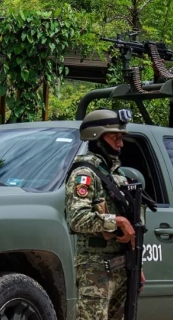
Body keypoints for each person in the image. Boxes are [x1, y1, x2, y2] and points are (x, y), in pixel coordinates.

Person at [66, 108, 143, 320]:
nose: (120, 143)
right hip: (95, 268)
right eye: (114, 137)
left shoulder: (117, 174)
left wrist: (138, 266)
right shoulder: (85, 173)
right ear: (97, 137)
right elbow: (77, 219)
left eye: (121, 137)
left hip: (122, 265)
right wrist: (116, 221)